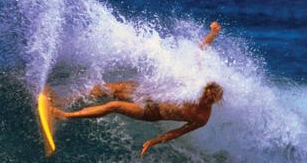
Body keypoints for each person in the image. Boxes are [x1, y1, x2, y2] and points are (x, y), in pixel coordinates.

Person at [52, 21, 224, 155]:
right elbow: (201, 50)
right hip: (148, 92)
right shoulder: (197, 82)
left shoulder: (202, 118)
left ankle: (66, 116)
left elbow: (176, 133)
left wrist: (154, 141)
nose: (203, 99)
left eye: (208, 100)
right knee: (105, 89)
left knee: (114, 106)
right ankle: (61, 101)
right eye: (204, 95)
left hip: (151, 112)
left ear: (213, 101)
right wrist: (213, 33)